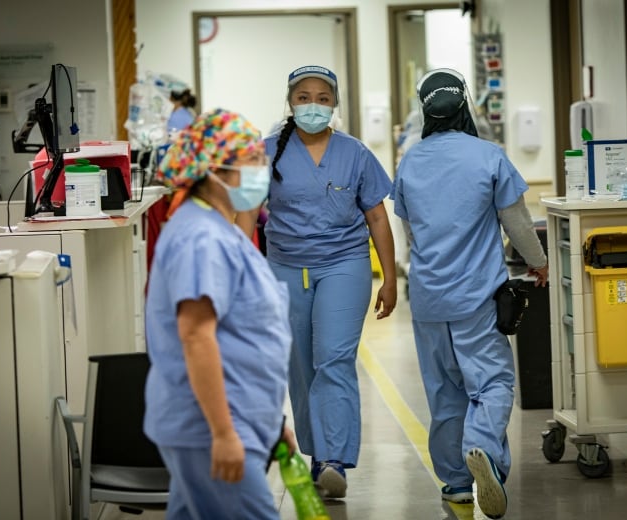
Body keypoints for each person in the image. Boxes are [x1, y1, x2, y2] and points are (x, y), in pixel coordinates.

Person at [392, 68, 548, 520]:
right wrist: (537, 261)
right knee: (494, 382)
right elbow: (516, 221)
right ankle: (480, 449)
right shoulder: (488, 156)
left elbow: (410, 231)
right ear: (465, 106)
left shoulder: (410, 161)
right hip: (476, 297)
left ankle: (457, 490)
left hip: (427, 298)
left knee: (444, 396)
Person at [144, 108, 296, 519]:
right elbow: (197, 337)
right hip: (210, 427)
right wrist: (225, 433)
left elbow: (242, 334)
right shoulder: (201, 238)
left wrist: (269, 421)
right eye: (253, 161)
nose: (263, 169)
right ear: (216, 169)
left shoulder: (220, 228)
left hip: (234, 417)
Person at [264, 65, 398, 499]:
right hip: (285, 268)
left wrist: (391, 277)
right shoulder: (265, 152)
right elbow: (243, 214)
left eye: (323, 98)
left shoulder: (355, 153)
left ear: (335, 104)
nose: (313, 106)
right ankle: (317, 449)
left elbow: (377, 216)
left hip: (344, 265)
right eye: (304, 97)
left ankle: (332, 458)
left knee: (333, 359)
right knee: (301, 366)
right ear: (290, 102)